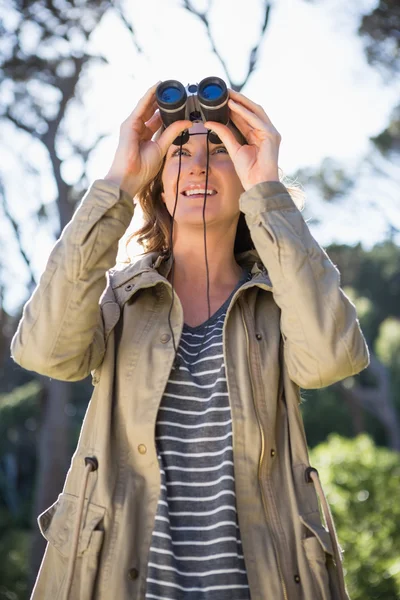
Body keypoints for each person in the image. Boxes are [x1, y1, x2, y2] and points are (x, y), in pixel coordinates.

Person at [11, 81, 370, 600]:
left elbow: (330, 360)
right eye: (180, 148)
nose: (198, 165)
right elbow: (45, 352)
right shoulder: (116, 298)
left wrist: (268, 190)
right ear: (158, 184)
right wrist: (117, 181)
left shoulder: (282, 300)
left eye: (220, 149)